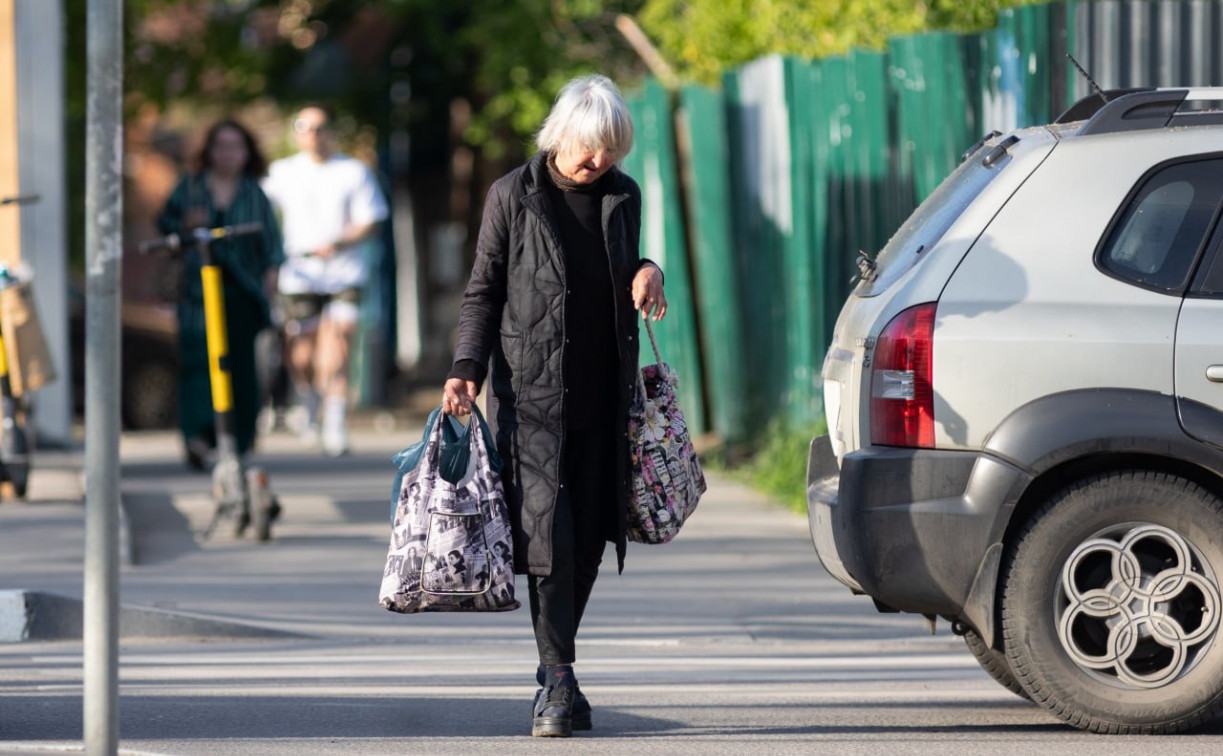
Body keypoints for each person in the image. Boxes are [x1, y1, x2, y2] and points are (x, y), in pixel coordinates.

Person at [442, 74, 667, 739]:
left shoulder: (622, 193)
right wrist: (465, 368)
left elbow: (621, 265)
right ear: (560, 134)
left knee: (592, 536)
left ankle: (555, 668)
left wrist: (647, 266)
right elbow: (482, 291)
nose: (597, 162)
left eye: (610, 151)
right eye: (589, 147)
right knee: (549, 540)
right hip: (534, 399)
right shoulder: (512, 194)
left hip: (605, 396)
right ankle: (561, 681)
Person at [261, 104, 388, 457]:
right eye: (305, 126)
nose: (313, 134)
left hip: (345, 273)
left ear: (330, 131)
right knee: (301, 353)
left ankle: (335, 422)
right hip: (299, 274)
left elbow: (371, 219)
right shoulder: (282, 172)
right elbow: (260, 210)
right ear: (296, 133)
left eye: (320, 127)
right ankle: (309, 401)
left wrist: (339, 241)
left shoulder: (353, 171)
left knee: (339, 347)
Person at [157, 119, 284, 471]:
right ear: (209, 150)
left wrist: (270, 284)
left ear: (247, 153)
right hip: (197, 293)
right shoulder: (191, 187)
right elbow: (164, 225)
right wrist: (184, 225)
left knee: (242, 369)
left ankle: (238, 444)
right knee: (198, 362)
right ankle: (200, 439)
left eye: (236, 147)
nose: (228, 154)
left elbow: (272, 247)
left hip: (241, 294)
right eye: (222, 146)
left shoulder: (253, 193)